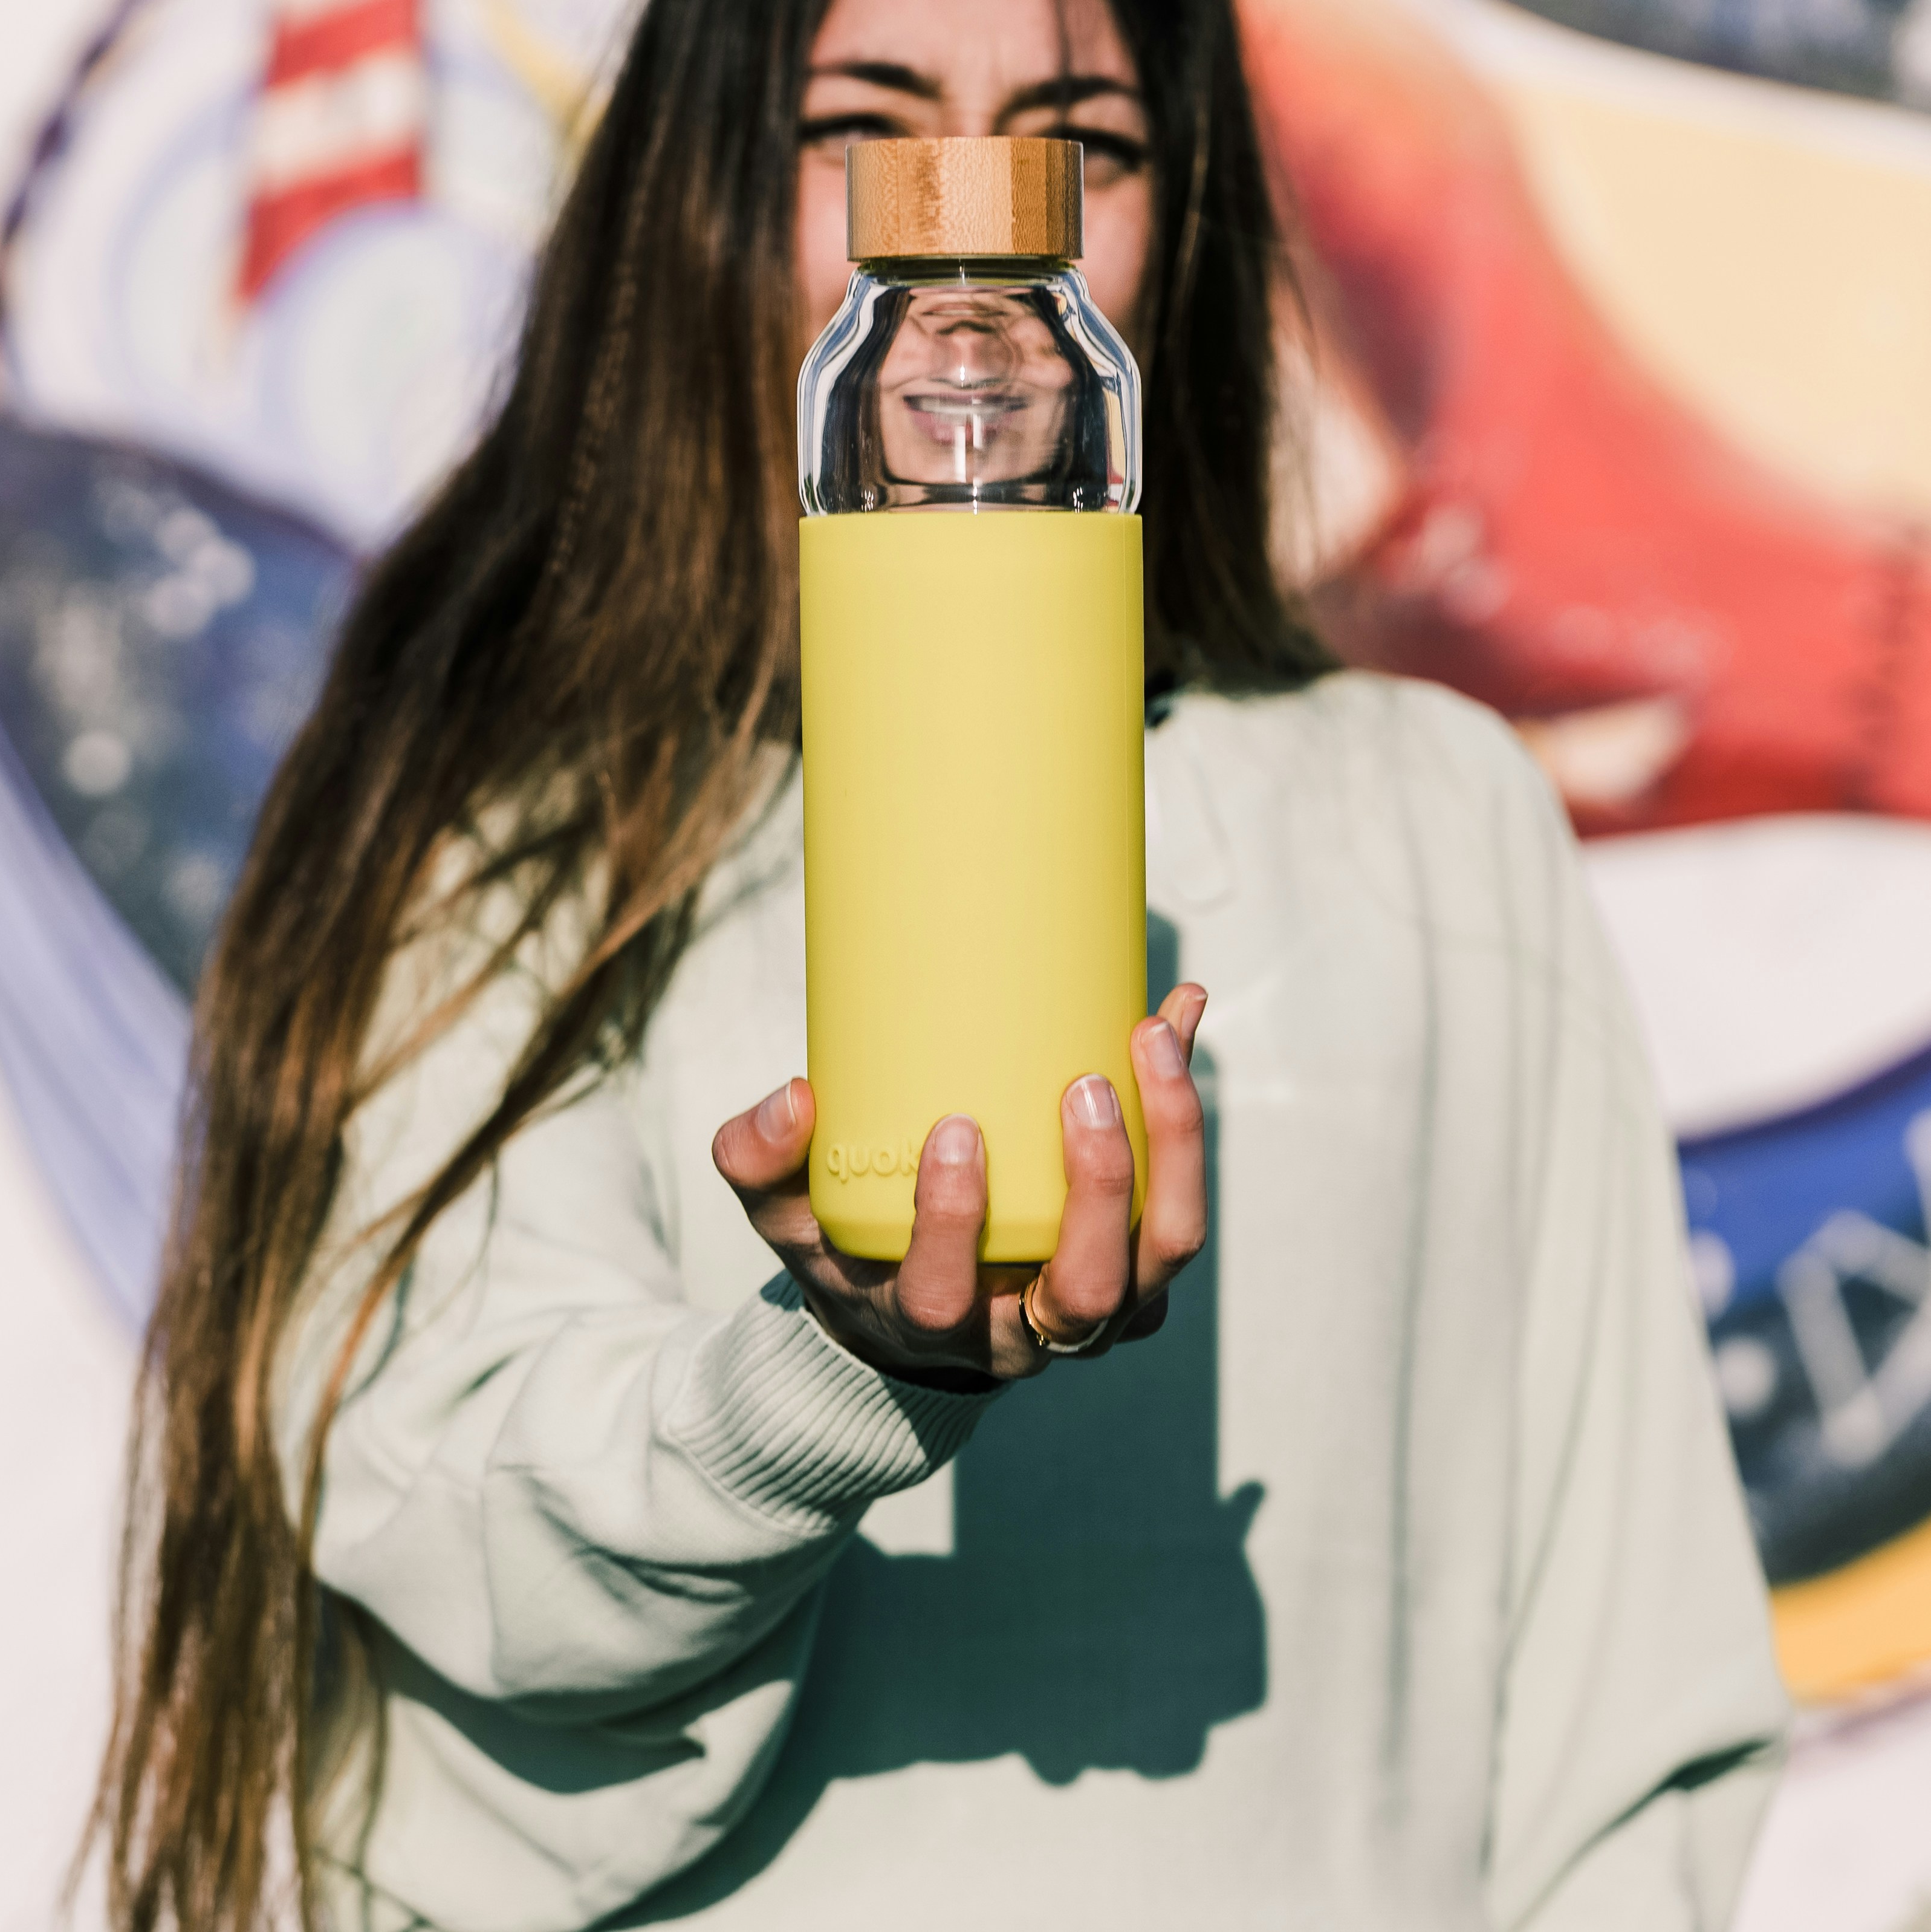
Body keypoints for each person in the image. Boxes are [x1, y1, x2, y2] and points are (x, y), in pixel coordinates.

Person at [89, 0, 1790, 1925]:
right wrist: (827, 1375)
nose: (976, 264)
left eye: (1081, 148)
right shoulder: (519, 835)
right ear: (706, 193)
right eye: (867, 134)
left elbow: (1624, 1699)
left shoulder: (1425, 811)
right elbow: (464, 1544)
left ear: (1189, 224)